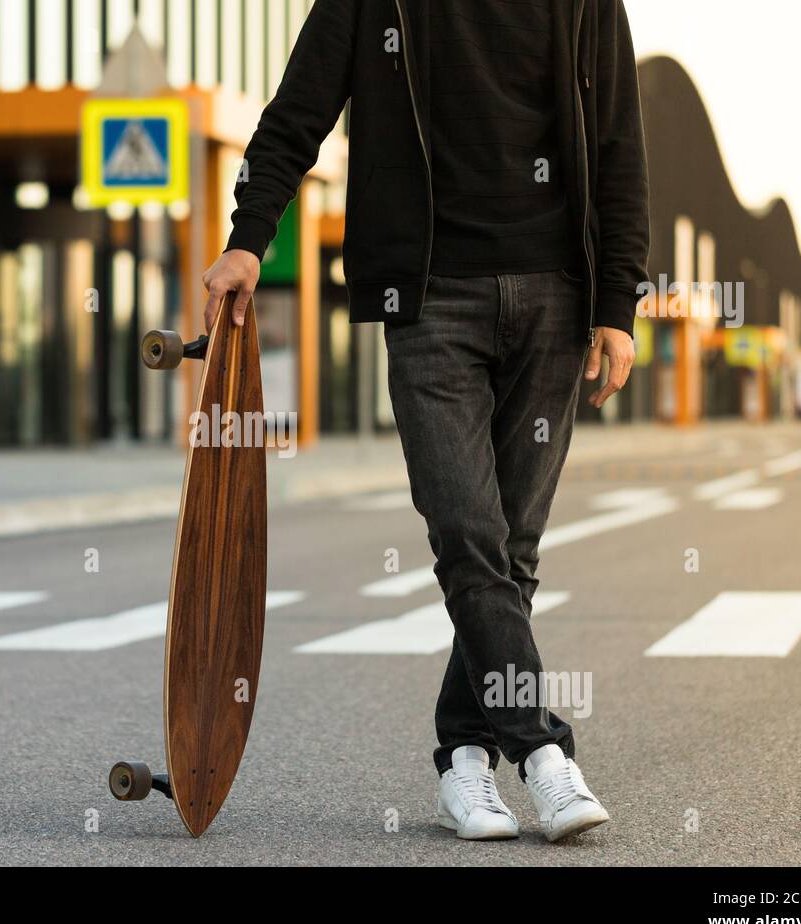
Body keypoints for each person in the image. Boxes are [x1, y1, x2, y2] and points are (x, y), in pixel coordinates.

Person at [201, 0, 649, 842]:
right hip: (428, 298)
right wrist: (249, 238)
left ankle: (464, 761)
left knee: (508, 552)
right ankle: (545, 757)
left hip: (556, 297)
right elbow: (299, 110)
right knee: (468, 535)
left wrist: (618, 301)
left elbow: (621, 139)